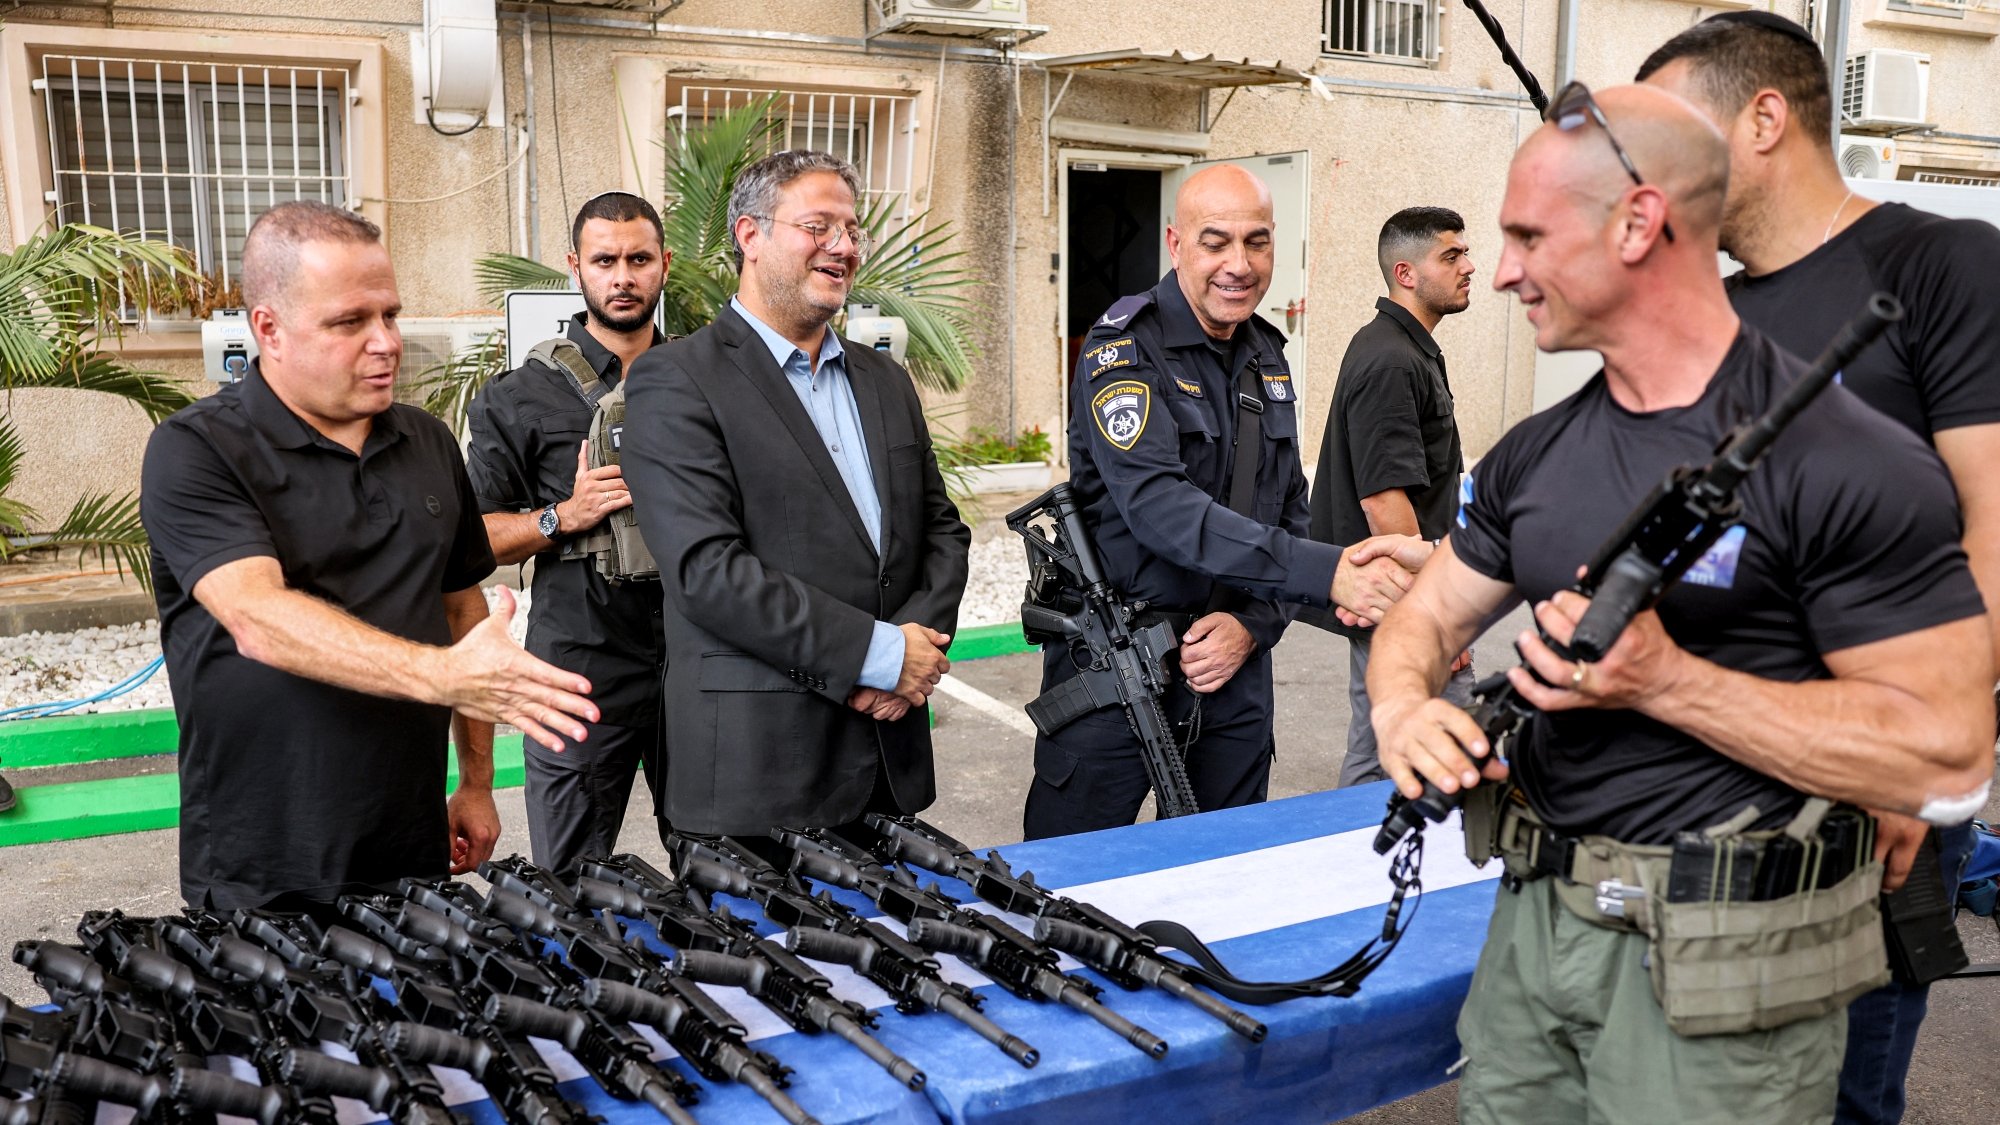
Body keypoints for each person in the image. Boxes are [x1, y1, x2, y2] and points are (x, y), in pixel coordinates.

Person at [1368, 84, 1993, 1123]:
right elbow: (1423, 620)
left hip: (1721, 981)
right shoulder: (1536, 453)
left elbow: (1946, 754)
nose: (1506, 270)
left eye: (1526, 236)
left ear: (1637, 223)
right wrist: (1402, 709)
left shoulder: (1848, 463)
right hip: (1532, 939)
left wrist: (1666, 681)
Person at [1638, 16, 2000, 1120]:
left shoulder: (1939, 264)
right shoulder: (1710, 310)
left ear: (1761, 118)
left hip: (1856, 801)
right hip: (1702, 792)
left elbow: (1989, 523)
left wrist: (1913, 757)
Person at [139, 201, 598, 911]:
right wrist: (444, 674)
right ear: (269, 328)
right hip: (263, 861)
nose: (385, 341)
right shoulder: (197, 449)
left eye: (390, 314)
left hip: (410, 846)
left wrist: (476, 780)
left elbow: (461, 607)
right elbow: (258, 617)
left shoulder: (426, 441)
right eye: (350, 322)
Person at [1023, 163, 1431, 841]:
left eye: (1258, 242)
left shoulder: (1266, 355)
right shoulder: (1123, 350)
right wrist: (1329, 572)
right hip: (1120, 663)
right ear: (1176, 244)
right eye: (1216, 242)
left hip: (1233, 672)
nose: (1239, 264)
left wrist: (1253, 625)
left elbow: (1289, 511)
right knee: (1075, 890)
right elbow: (1160, 508)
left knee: (1229, 872)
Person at [621, 150, 970, 837]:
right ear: (749, 236)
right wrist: (882, 655)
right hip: (758, 781)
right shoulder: (675, 380)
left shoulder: (885, 380)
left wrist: (913, 654)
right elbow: (707, 572)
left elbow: (943, 530)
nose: (843, 246)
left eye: (852, 230)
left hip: (886, 768)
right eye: (819, 226)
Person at [465, 191, 670, 876]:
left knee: (723, 869)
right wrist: (563, 516)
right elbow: (474, 537)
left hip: (700, 661)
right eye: (605, 260)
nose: (623, 277)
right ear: (575, 267)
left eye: (638, 259)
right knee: (571, 883)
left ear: (664, 264)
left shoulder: (705, 380)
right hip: (577, 673)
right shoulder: (519, 394)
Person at [1307, 206, 1478, 788]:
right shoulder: (1390, 358)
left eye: (1464, 253)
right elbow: (1384, 502)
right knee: (1396, 753)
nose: (1468, 266)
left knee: (1398, 749)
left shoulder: (1406, 348)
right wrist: (1435, 614)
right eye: (1450, 256)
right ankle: (1359, 867)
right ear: (1406, 273)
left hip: (1402, 594)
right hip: (1400, 598)